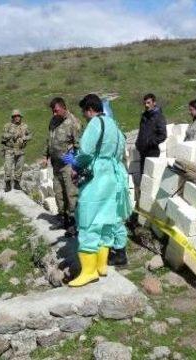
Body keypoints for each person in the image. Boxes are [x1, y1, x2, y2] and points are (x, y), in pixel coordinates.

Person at [66, 94, 132, 287]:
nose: (85, 116)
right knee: (105, 222)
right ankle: (102, 265)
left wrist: (75, 165)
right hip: (113, 177)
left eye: (84, 112)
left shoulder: (96, 123)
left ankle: (88, 271)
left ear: (89, 109)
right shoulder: (115, 127)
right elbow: (119, 153)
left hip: (97, 179)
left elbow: (85, 151)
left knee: (88, 221)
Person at [43, 97, 81, 236]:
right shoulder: (53, 121)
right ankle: (62, 219)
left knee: (71, 193)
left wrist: (76, 164)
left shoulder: (73, 122)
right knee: (58, 192)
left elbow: (79, 145)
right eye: (53, 111)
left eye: (56, 111)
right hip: (56, 164)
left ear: (63, 108)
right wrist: (45, 155)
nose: (54, 114)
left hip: (68, 165)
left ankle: (73, 223)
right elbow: (50, 140)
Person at [135, 93, 167, 174]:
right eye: (145, 103)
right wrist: (138, 143)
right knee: (143, 177)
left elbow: (163, 135)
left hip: (152, 151)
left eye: (148, 103)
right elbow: (141, 131)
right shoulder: (144, 116)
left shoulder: (159, 117)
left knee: (150, 177)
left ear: (154, 103)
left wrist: (150, 142)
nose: (146, 105)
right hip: (143, 151)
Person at [1, 109, 32, 192]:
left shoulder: (25, 126)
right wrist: (12, 135)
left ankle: (17, 183)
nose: (17, 118)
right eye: (15, 116)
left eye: (18, 116)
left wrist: (24, 138)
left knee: (19, 168)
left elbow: (30, 135)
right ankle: (7, 184)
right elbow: (3, 136)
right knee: (8, 167)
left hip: (20, 150)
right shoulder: (7, 126)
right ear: (13, 117)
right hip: (9, 150)